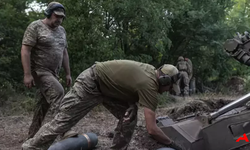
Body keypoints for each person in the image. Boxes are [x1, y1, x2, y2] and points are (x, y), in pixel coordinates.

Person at [22, 60, 184, 150]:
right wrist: (173, 145)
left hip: (108, 91)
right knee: (63, 122)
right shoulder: (149, 86)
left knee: (130, 115)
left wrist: (130, 104)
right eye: (169, 87)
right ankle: (30, 147)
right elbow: (152, 129)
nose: (168, 91)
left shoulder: (150, 72)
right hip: (90, 83)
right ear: (164, 80)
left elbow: (126, 85)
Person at [21, 1, 72, 139]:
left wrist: (68, 73)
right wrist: (27, 74)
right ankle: (64, 130)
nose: (59, 20)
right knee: (58, 92)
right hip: (40, 71)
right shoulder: (35, 27)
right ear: (49, 14)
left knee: (41, 107)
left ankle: (32, 137)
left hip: (54, 73)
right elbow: (25, 50)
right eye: (57, 16)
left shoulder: (62, 31)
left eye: (62, 17)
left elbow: (64, 52)